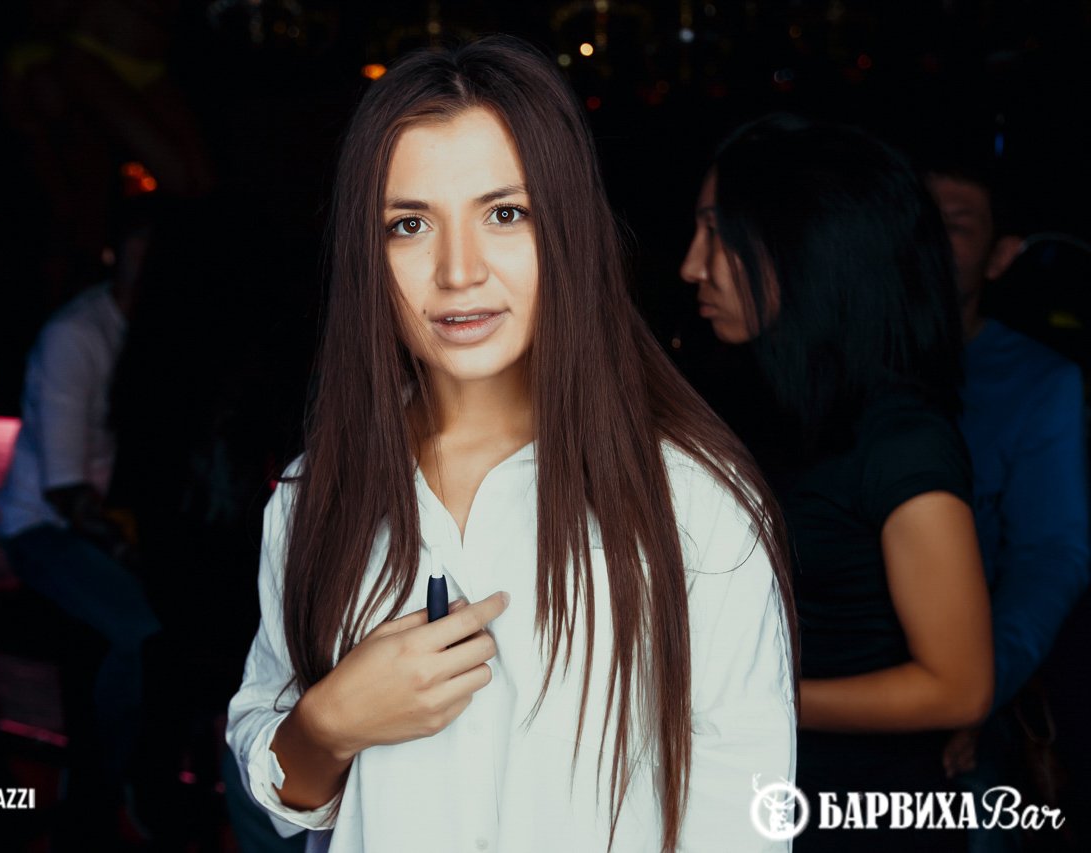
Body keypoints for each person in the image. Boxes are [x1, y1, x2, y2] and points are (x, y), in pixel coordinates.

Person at [228, 36, 797, 853]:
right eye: (409, 224)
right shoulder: (317, 492)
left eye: (504, 213)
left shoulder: (690, 496)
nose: (459, 271)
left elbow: (744, 817)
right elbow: (284, 791)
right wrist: (328, 723)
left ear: (567, 228)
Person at [681, 115, 993, 851]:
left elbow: (958, 687)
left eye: (719, 234)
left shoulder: (902, 444)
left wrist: (734, 705)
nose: (693, 265)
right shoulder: (758, 405)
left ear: (808, 246)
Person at [924, 161, 1089, 851]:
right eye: (915, 218)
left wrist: (976, 685)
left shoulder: (1039, 382)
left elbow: (1051, 555)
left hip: (968, 706)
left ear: (1001, 255)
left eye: (954, 226)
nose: (927, 239)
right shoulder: (841, 361)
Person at [0, 200, 161, 847]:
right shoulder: (78, 334)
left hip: (101, 518)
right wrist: (128, 552)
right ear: (118, 254)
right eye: (141, 246)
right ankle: (108, 780)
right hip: (41, 529)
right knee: (141, 629)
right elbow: (64, 489)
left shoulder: (153, 330)